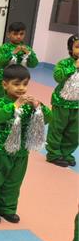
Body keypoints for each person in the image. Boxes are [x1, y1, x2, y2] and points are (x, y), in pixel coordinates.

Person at [0, 65, 51, 224]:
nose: (21, 88)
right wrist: (14, 106)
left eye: (25, 84)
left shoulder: (29, 105)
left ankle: (8, 208)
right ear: (5, 85)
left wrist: (39, 107)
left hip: (21, 151)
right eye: (16, 84)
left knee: (14, 181)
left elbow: (47, 119)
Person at [45, 35, 78, 167]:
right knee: (57, 129)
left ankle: (66, 153)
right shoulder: (64, 63)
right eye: (78, 47)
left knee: (74, 132)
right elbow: (58, 77)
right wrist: (74, 66)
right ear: (70, 49)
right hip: (61, 103)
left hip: (77, 105)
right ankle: (53, 154)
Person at [0, 22, 38, 99]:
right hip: (3, 78)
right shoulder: (4, 48)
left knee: (15, 98)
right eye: (15, 34)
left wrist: (29, 54)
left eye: (21, 34)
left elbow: (34, 64)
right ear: (8, 34)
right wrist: (12, 53)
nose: (18, 36)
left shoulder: (27, 48)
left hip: (19, 79)